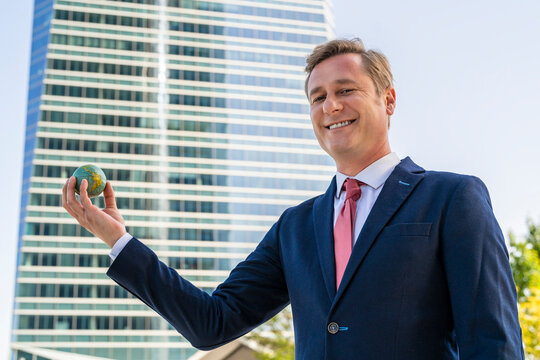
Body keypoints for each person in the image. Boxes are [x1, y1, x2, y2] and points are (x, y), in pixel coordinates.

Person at [63, 38, 524, 359]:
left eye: (346, 91)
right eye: (317, 97)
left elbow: (493, 343)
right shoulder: (296, 227)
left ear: (388, 100)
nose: (330, 107)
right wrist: (118, 240)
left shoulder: (451, 197)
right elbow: (212, 322)